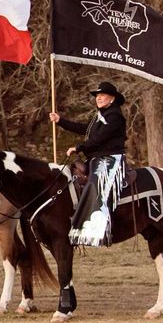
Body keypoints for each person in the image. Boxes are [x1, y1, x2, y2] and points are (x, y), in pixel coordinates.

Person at [50, 80, 128, 247]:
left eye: (102, 95)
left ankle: (96, 230)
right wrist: (60, 121)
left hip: (110, 158)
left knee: (95, 183)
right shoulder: (100, 116)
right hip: (96, 157)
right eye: (97, 95)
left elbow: (99, 139)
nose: (98, 98)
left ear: (112, 98)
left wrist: (79, 147)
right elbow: (86, 130)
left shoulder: (115, 116)